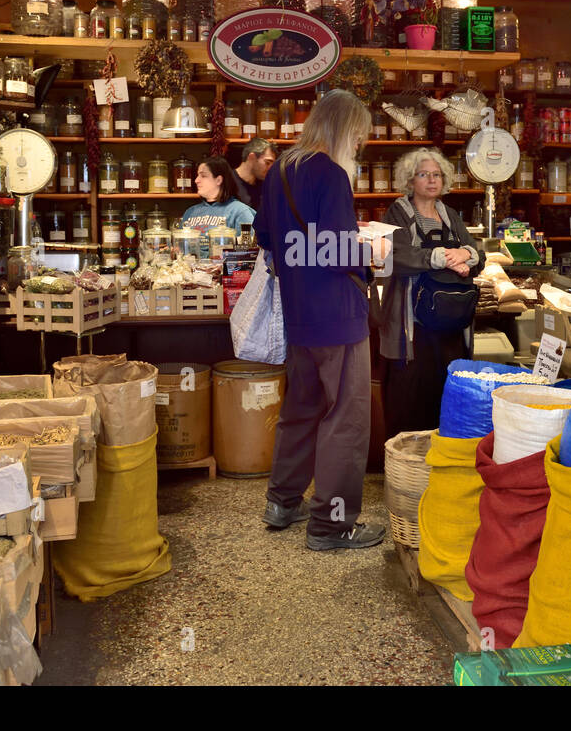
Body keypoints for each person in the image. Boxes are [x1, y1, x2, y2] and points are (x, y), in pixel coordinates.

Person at [253, 89, 390, 551]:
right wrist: (373, 248)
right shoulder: (330, 174)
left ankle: (282, 501)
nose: (359, 145)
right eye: (358, 136)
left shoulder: (281, 172)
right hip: (338, 314)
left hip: (299, 315)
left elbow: (266, 237)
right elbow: (336, 250)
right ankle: (332, 524)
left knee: (301, 408)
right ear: (343, 128)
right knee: (345, 419)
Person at [378, 149, 482, 438]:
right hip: (413, 328)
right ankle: (407, 458)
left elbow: (477, 253)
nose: (432, 180)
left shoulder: (449, 214)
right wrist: (439, 257)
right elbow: (395, 255)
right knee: (411, 395)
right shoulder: (399, 211)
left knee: (445, 391)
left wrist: (466, 253)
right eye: (424, 174)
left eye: (436, 175)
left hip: (451, 324)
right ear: (410, 180)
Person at [181, 157, 257, 252]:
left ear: (218, 180)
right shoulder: (190, 212)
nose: (196, 180)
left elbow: (249, 250)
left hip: (224, 265)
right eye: (197, 176)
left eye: (203, 176)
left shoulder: (240, 211)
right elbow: (180, 248)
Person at [232, 137, 277, 211]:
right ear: (252, 157)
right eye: (267, 163)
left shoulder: (265, 185)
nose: (271, 169)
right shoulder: (227, 183)